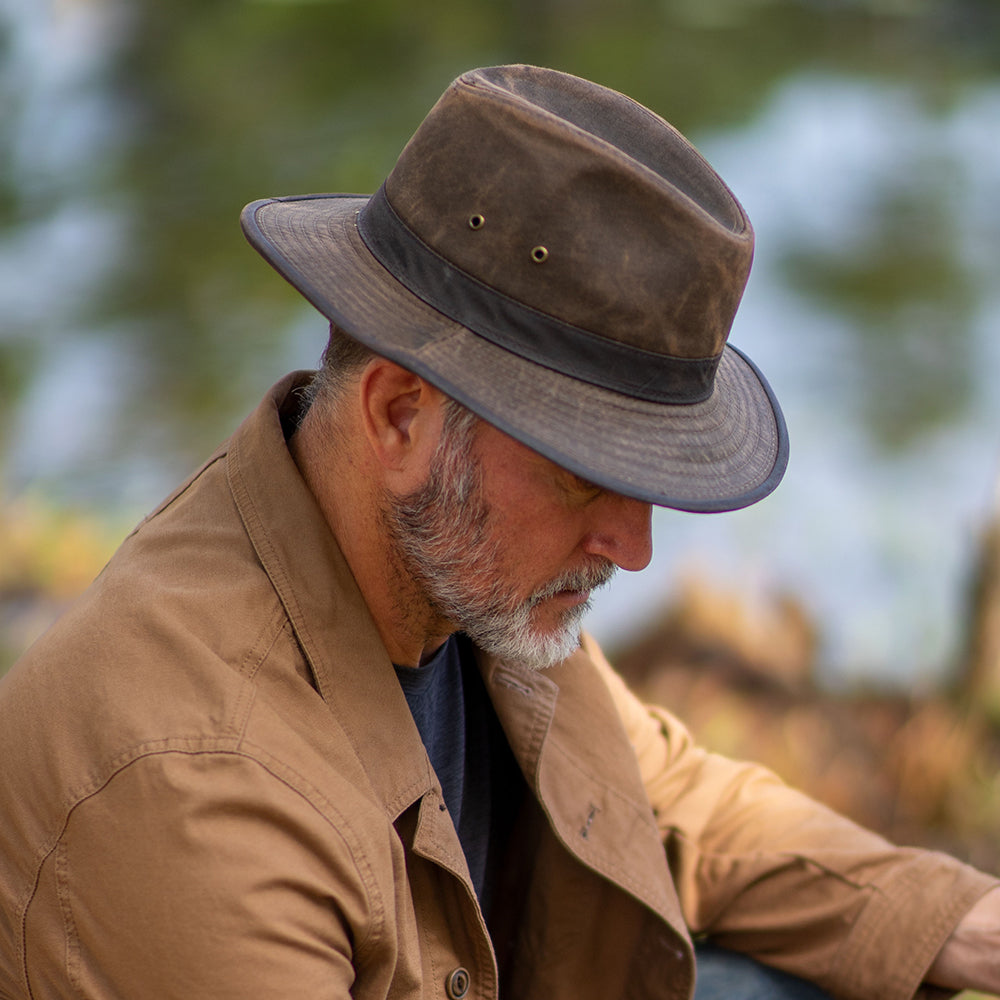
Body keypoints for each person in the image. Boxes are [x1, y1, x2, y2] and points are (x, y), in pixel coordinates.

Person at [0, 63, 997, 1000]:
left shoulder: (460, 572)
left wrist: (957, 917)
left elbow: (667, 800)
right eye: (585, 476)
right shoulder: (195, 789)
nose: (635, 547)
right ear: (398, 417)